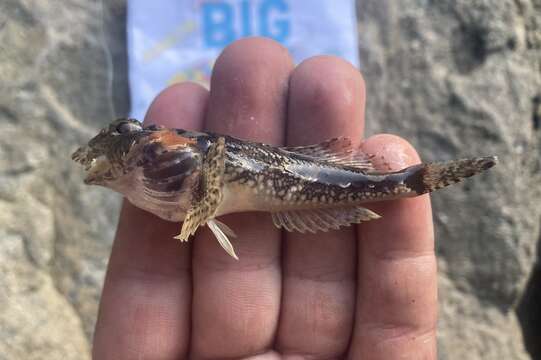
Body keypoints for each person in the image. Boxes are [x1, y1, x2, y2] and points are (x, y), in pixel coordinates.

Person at [92, 38, 437, 359]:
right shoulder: (177, 156)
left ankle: (405, 183)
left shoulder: (190, 155)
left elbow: (208, 171)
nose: (132, 158)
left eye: (140, 147)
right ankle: (404, 183)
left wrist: (198, 211)